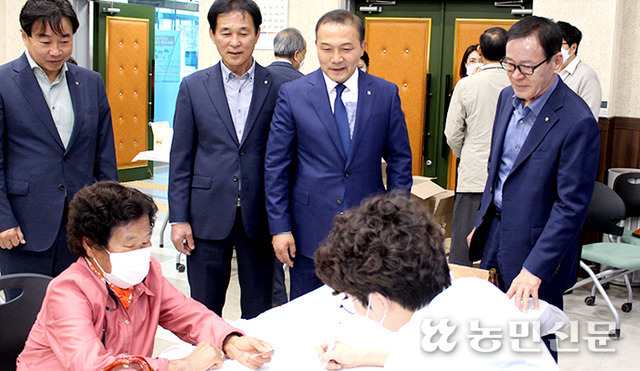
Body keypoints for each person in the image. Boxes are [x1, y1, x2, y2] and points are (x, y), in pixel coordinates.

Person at [17, 182, 273, 370]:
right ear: (91, 245)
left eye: (146, 241)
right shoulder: (68, 293)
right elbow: (94, 366)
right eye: (130, 245)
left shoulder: (146, 273)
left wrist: (229, 340)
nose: (141, 253)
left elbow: (187, 314)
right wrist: (183, 365)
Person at [467, 16, 600, 358]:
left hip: (537, 250)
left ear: (557, 61)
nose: (516, 76)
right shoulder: (505, 99)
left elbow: (571, 207)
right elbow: (498, 171)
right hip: (496, 233)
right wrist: (483, 220)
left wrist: (534, 269)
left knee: (533, 345)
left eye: (527, 67)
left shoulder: (577, 120)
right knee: (490, 335)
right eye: (510, 65)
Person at [314, 193, 558, 370]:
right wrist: (360, 356)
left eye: (353, 298)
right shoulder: (476, 290)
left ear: (378, 301)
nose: (354, 306)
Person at [264, 9, 413, 300]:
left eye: (346, 48)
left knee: (366, 318)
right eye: (326, 48)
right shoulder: (294, 94)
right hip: (309, 231)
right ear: (314, 47)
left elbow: (399, 161)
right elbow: (276, 167)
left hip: (370, 231)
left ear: (362, 48)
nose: (336, 58)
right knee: (309, 318)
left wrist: (392, 219)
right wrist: (280, 228)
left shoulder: (385, 93)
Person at [169, 0, 288, 319]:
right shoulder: (193, 87)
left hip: (260, 217)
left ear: (258, 35)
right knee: (204, 309)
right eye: (226, 33)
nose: (234, 42)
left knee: (260, 309)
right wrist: (178, 218)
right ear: (212, 34)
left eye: (243, 33)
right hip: (205, 217)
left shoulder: (281, 86)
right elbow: (181, 157)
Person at [0, 0, 117, 285]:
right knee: (28, 317)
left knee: (80, 314)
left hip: (81, 226)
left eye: (64, 40)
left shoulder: (90, 82)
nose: (56, 51)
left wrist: (110, 221)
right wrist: (3, 220)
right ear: (24, 36)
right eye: (45, 40)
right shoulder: (4, 82)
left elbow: (104, 157)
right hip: (23, 227)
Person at [445, 27, 510, 267]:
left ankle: (462, 296)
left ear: (480, 51)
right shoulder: (517, 84)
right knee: (502, 244)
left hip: (473, 174)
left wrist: (465, 154)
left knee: (463, 244)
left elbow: (452, 133)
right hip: (508, 175)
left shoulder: (466, 85)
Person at [266, 27, 306, 306]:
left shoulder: (259, 80)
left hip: (263, 181)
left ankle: (275, 301)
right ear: (299, 53)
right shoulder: (305, 85)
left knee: (267, 259)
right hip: (299, 183)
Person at [557, 21, 602, 119]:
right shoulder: (549, 71)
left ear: (573, 48)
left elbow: (590, 117)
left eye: (560, 44)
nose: (555, 49)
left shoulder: (587, 76)